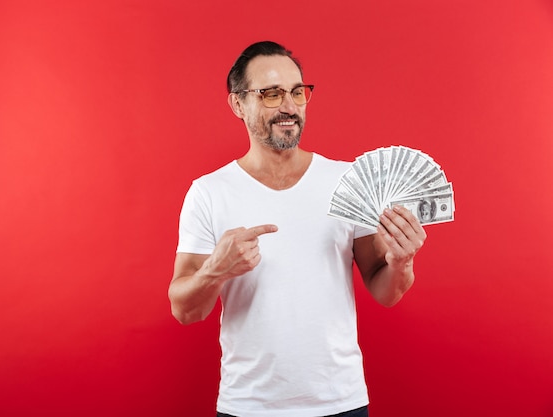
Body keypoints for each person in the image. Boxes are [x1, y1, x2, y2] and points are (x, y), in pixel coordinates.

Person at [168, 41, 427, 417]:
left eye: (297, 92)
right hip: (248, 405)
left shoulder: (347, 181)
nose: (289, 107)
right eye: (271, 94)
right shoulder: (209, 193)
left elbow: (384, 290)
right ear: (238, 104)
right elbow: (184, 310)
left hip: (340, 401)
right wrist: (215, 270)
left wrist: (402, 263)